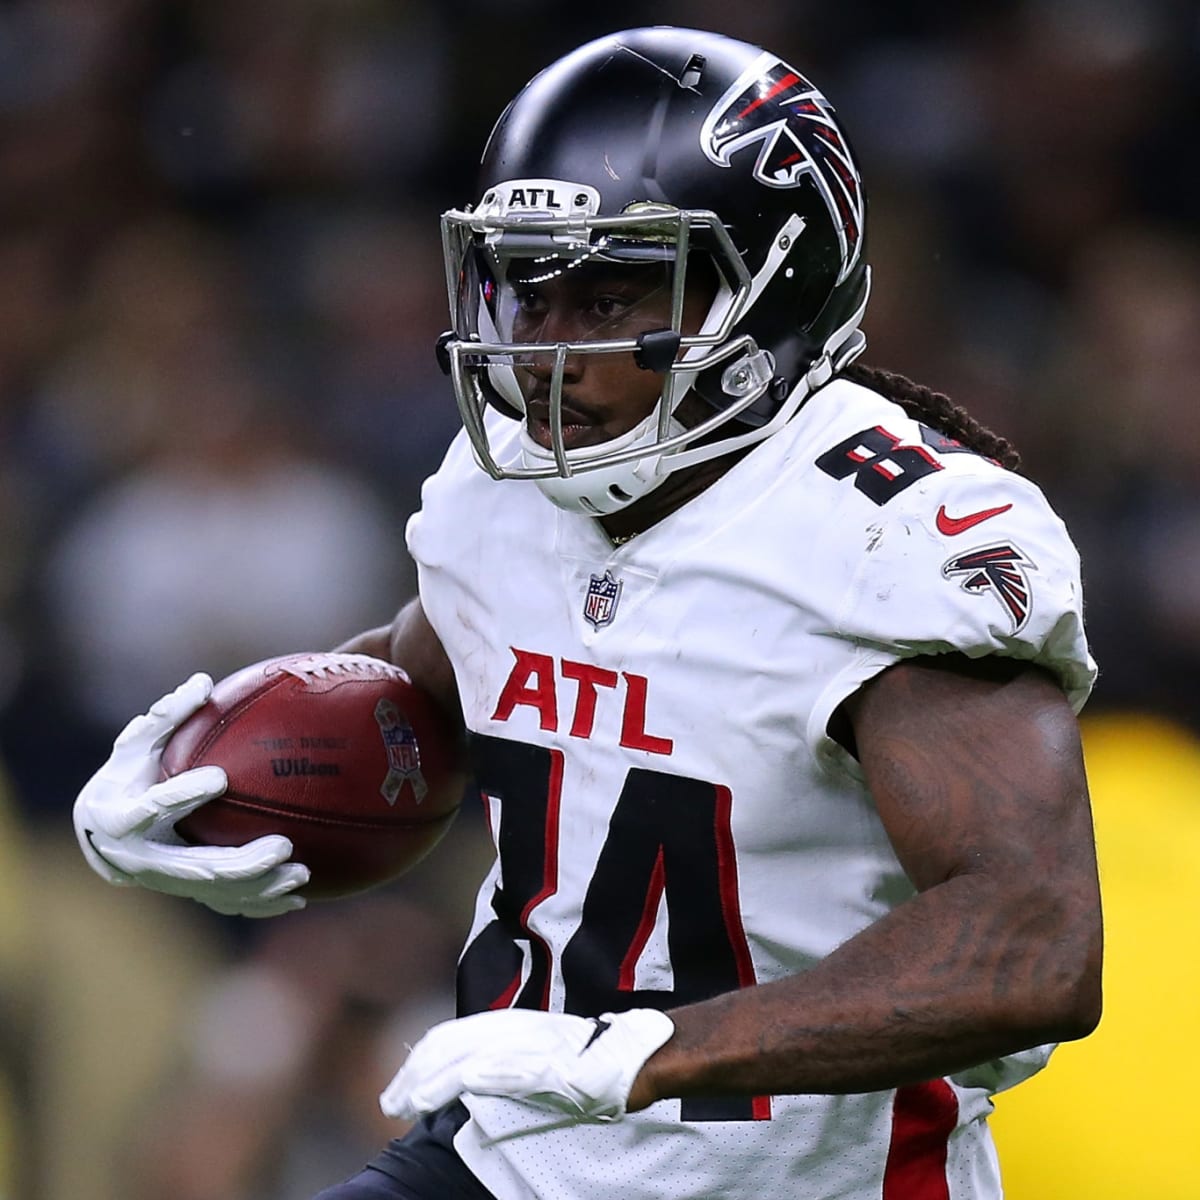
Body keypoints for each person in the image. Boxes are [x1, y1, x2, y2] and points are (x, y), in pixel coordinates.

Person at [72, 27, 1103, 1200]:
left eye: (611, 293)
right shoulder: (497, 484)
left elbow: (1034, 944)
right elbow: (441, 697)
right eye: (530, 287)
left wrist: (655, 1050)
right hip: (511, 1154)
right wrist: (208, 774)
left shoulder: (888, 537)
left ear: (770, 292)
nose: (553, 353)